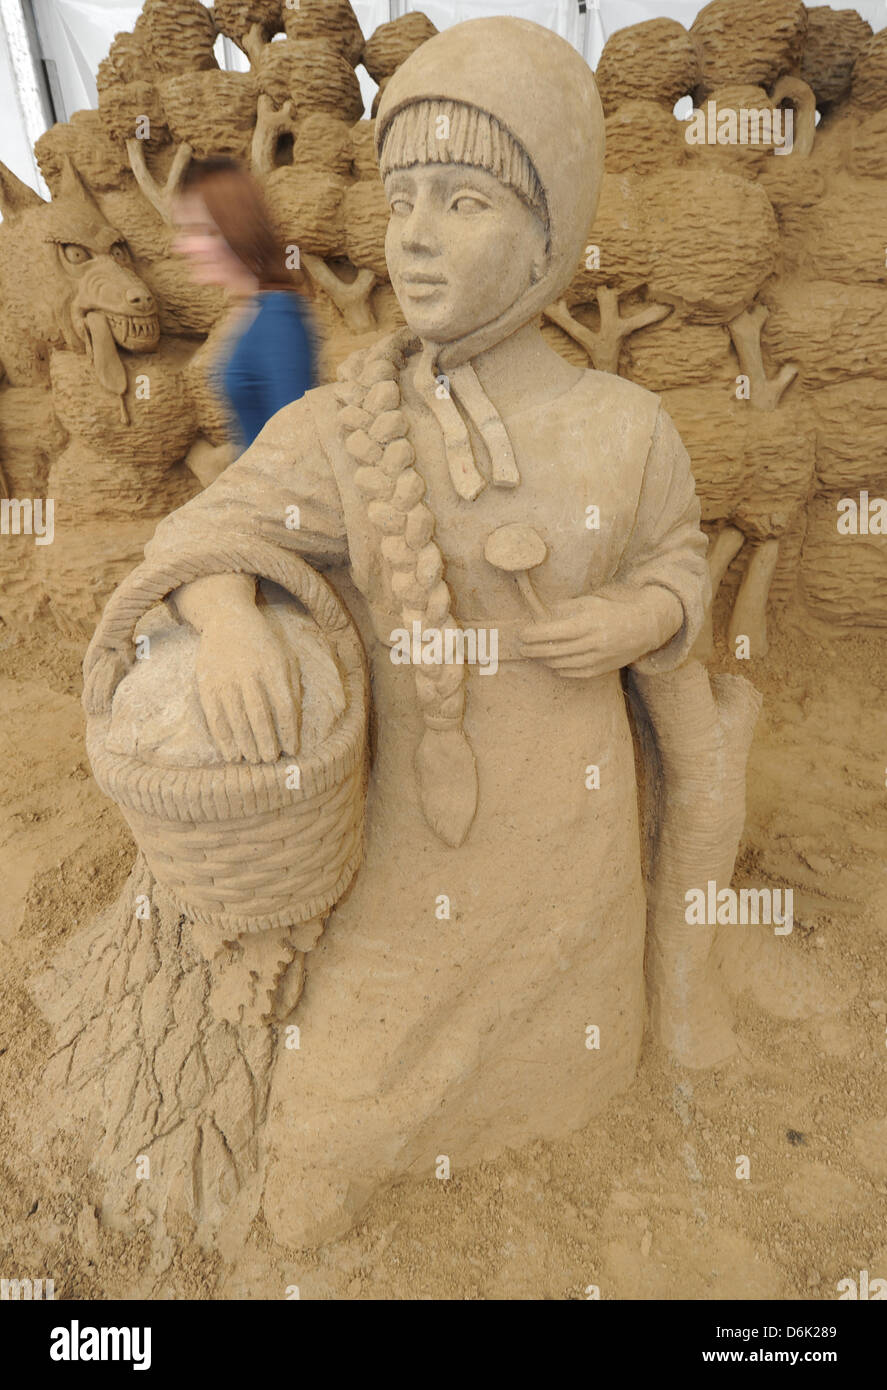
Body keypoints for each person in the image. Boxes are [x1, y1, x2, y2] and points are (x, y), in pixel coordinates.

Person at [91, 18, 717, 1247]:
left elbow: (677, 565)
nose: (416, 236)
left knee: (571, 1073)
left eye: (466, 200)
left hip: (566, 849)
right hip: (407, 844)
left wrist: (633, 616)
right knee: (326, 1142)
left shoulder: (625, 428)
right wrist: (225, 618)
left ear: (549, 233)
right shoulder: (346, 425)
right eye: (404, 196)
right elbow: (196, 535)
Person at [172, 156, 318, 453]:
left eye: (200, 230)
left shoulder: (279, 318)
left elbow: (299, 451)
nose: (183, 246)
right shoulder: (252, 309)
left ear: (235, 228)